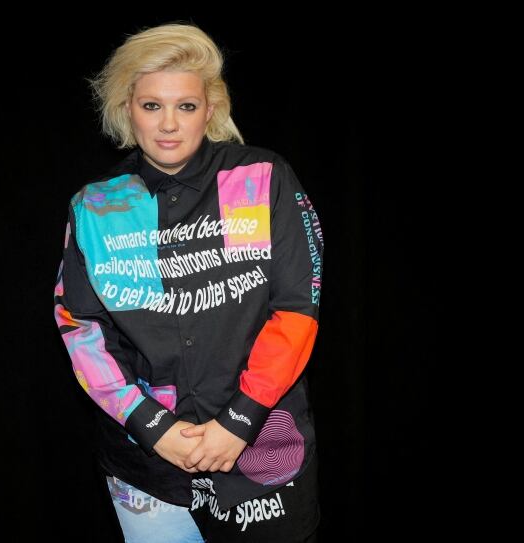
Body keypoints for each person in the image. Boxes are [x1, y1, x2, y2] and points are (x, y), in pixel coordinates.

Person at [53, 22, 324, 542]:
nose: (169, 125)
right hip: (145, 467)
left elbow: (296, 310)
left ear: (210, 110)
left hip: (262, 454)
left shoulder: (263, 178)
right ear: (126, 109)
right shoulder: (95, 206)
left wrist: (239, 421)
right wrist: (151, 426)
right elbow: (79, 326)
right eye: (152, 105)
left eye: (186, 106)